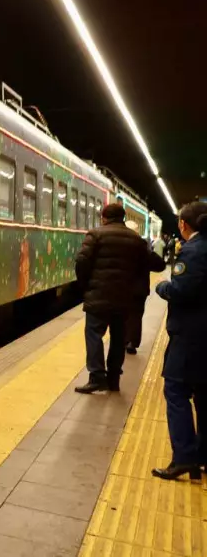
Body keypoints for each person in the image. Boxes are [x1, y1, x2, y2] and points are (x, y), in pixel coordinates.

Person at [75, 203, 162, 394]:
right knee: (118, 338)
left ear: (104, 218)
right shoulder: (136, 240)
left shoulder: (95, 235)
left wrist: (86, 285)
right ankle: (113, 379)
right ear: (123, 218)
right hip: (124, 299)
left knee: (94, 335)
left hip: (98, 296)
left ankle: (97, 377)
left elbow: (82, 261)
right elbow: (158, 264)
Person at [151, 202, 207, 481]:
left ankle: (185, 457)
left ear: (184, 225)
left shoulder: (193, 252)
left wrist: (162, 287)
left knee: (176, 390)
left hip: (191, 334)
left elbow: (181, 290)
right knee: (203, 393)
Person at [124, 222, 167, 355]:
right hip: (138, 289)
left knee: (121, 315)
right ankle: (132, 342)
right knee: (136, 315)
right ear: (137, 233)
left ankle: (122, 340)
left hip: (120, 288)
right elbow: (160, 265)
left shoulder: (117, 246)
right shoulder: (142, 247)